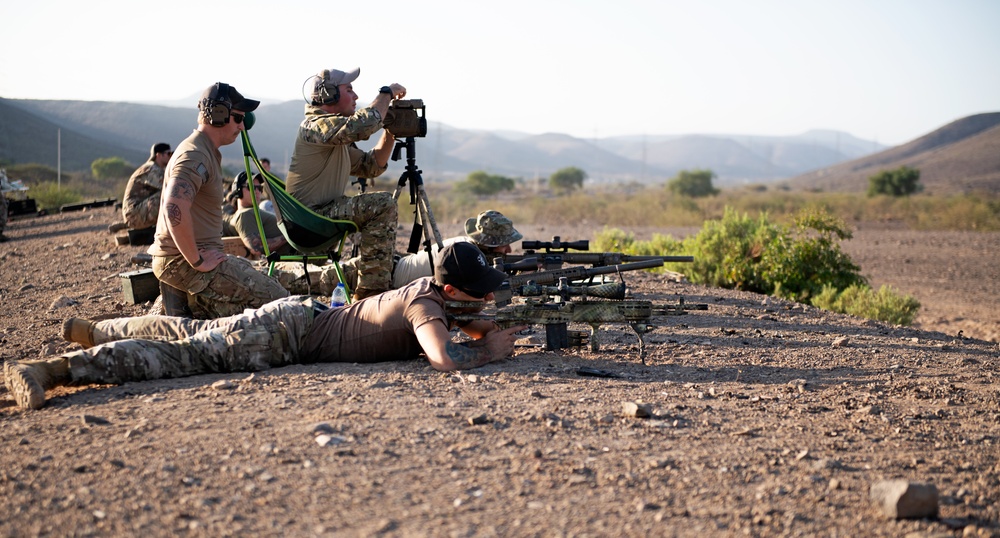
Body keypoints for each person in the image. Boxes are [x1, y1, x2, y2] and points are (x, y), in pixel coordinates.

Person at [5, 242, 526, 410]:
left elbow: (461, 318)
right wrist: (488, 353)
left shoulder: (433, 297)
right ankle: (52, 370)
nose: (488, 295)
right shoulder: (425, 307)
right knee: (184, 357)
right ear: (452, 290)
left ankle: (97, 331)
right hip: (286, 336)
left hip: (295, 320)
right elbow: (441, 359)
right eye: (480, 288)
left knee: (188, 335)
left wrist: (480, 323)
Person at [148, 82, 288, 319]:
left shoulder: (205, 150)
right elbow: (174, 206)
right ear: (219, 115)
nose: (242, 126)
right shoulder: (195, 154)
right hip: (182, 262)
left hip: (188, 259)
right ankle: (188, 310)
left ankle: (189, 307)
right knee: (278, 301)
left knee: (261, 289)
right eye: (237, 118)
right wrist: (196, 260)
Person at [285, 67, 405, 301]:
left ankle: (372, 284)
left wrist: (391, 131)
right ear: (329, 94)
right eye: (349, 89)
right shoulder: (314, 126)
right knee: (382, 204)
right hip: (308, 220)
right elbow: (362, 126)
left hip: (317, 217)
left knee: (382, 203)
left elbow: (371, 165)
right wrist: (386, 93)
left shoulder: (334, 138)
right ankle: (371, 291)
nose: (356, 96)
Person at [109, 142, 173, 234]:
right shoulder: (151, 169)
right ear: (158, 155)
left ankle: (127, 225)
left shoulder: (156, 168)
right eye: (168, 154)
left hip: (137, 213)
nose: (170, 156)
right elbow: (169, 187)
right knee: (169, 195)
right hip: (134, 214)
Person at [224, 172, 289, 258]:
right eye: (251, 187)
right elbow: (257, 248)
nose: (257, 191)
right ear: (238, 190)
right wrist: (290, 236)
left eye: (260, 188)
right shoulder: (244, 215)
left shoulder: (253, 212)